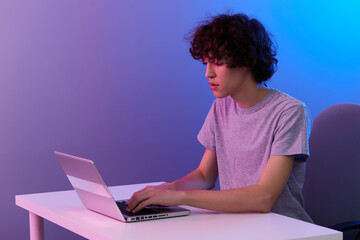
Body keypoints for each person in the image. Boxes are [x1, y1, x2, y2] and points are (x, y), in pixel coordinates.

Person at [126, 13, 313, 222]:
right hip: (237, 225)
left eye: (218, 62)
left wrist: (179, 197)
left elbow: (263, 198)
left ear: (248, 61)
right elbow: (205, 177)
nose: (208, 73)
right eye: (206, 62)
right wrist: (162, 191)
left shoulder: (289, 112)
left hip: (284, 229)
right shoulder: (220, 108)